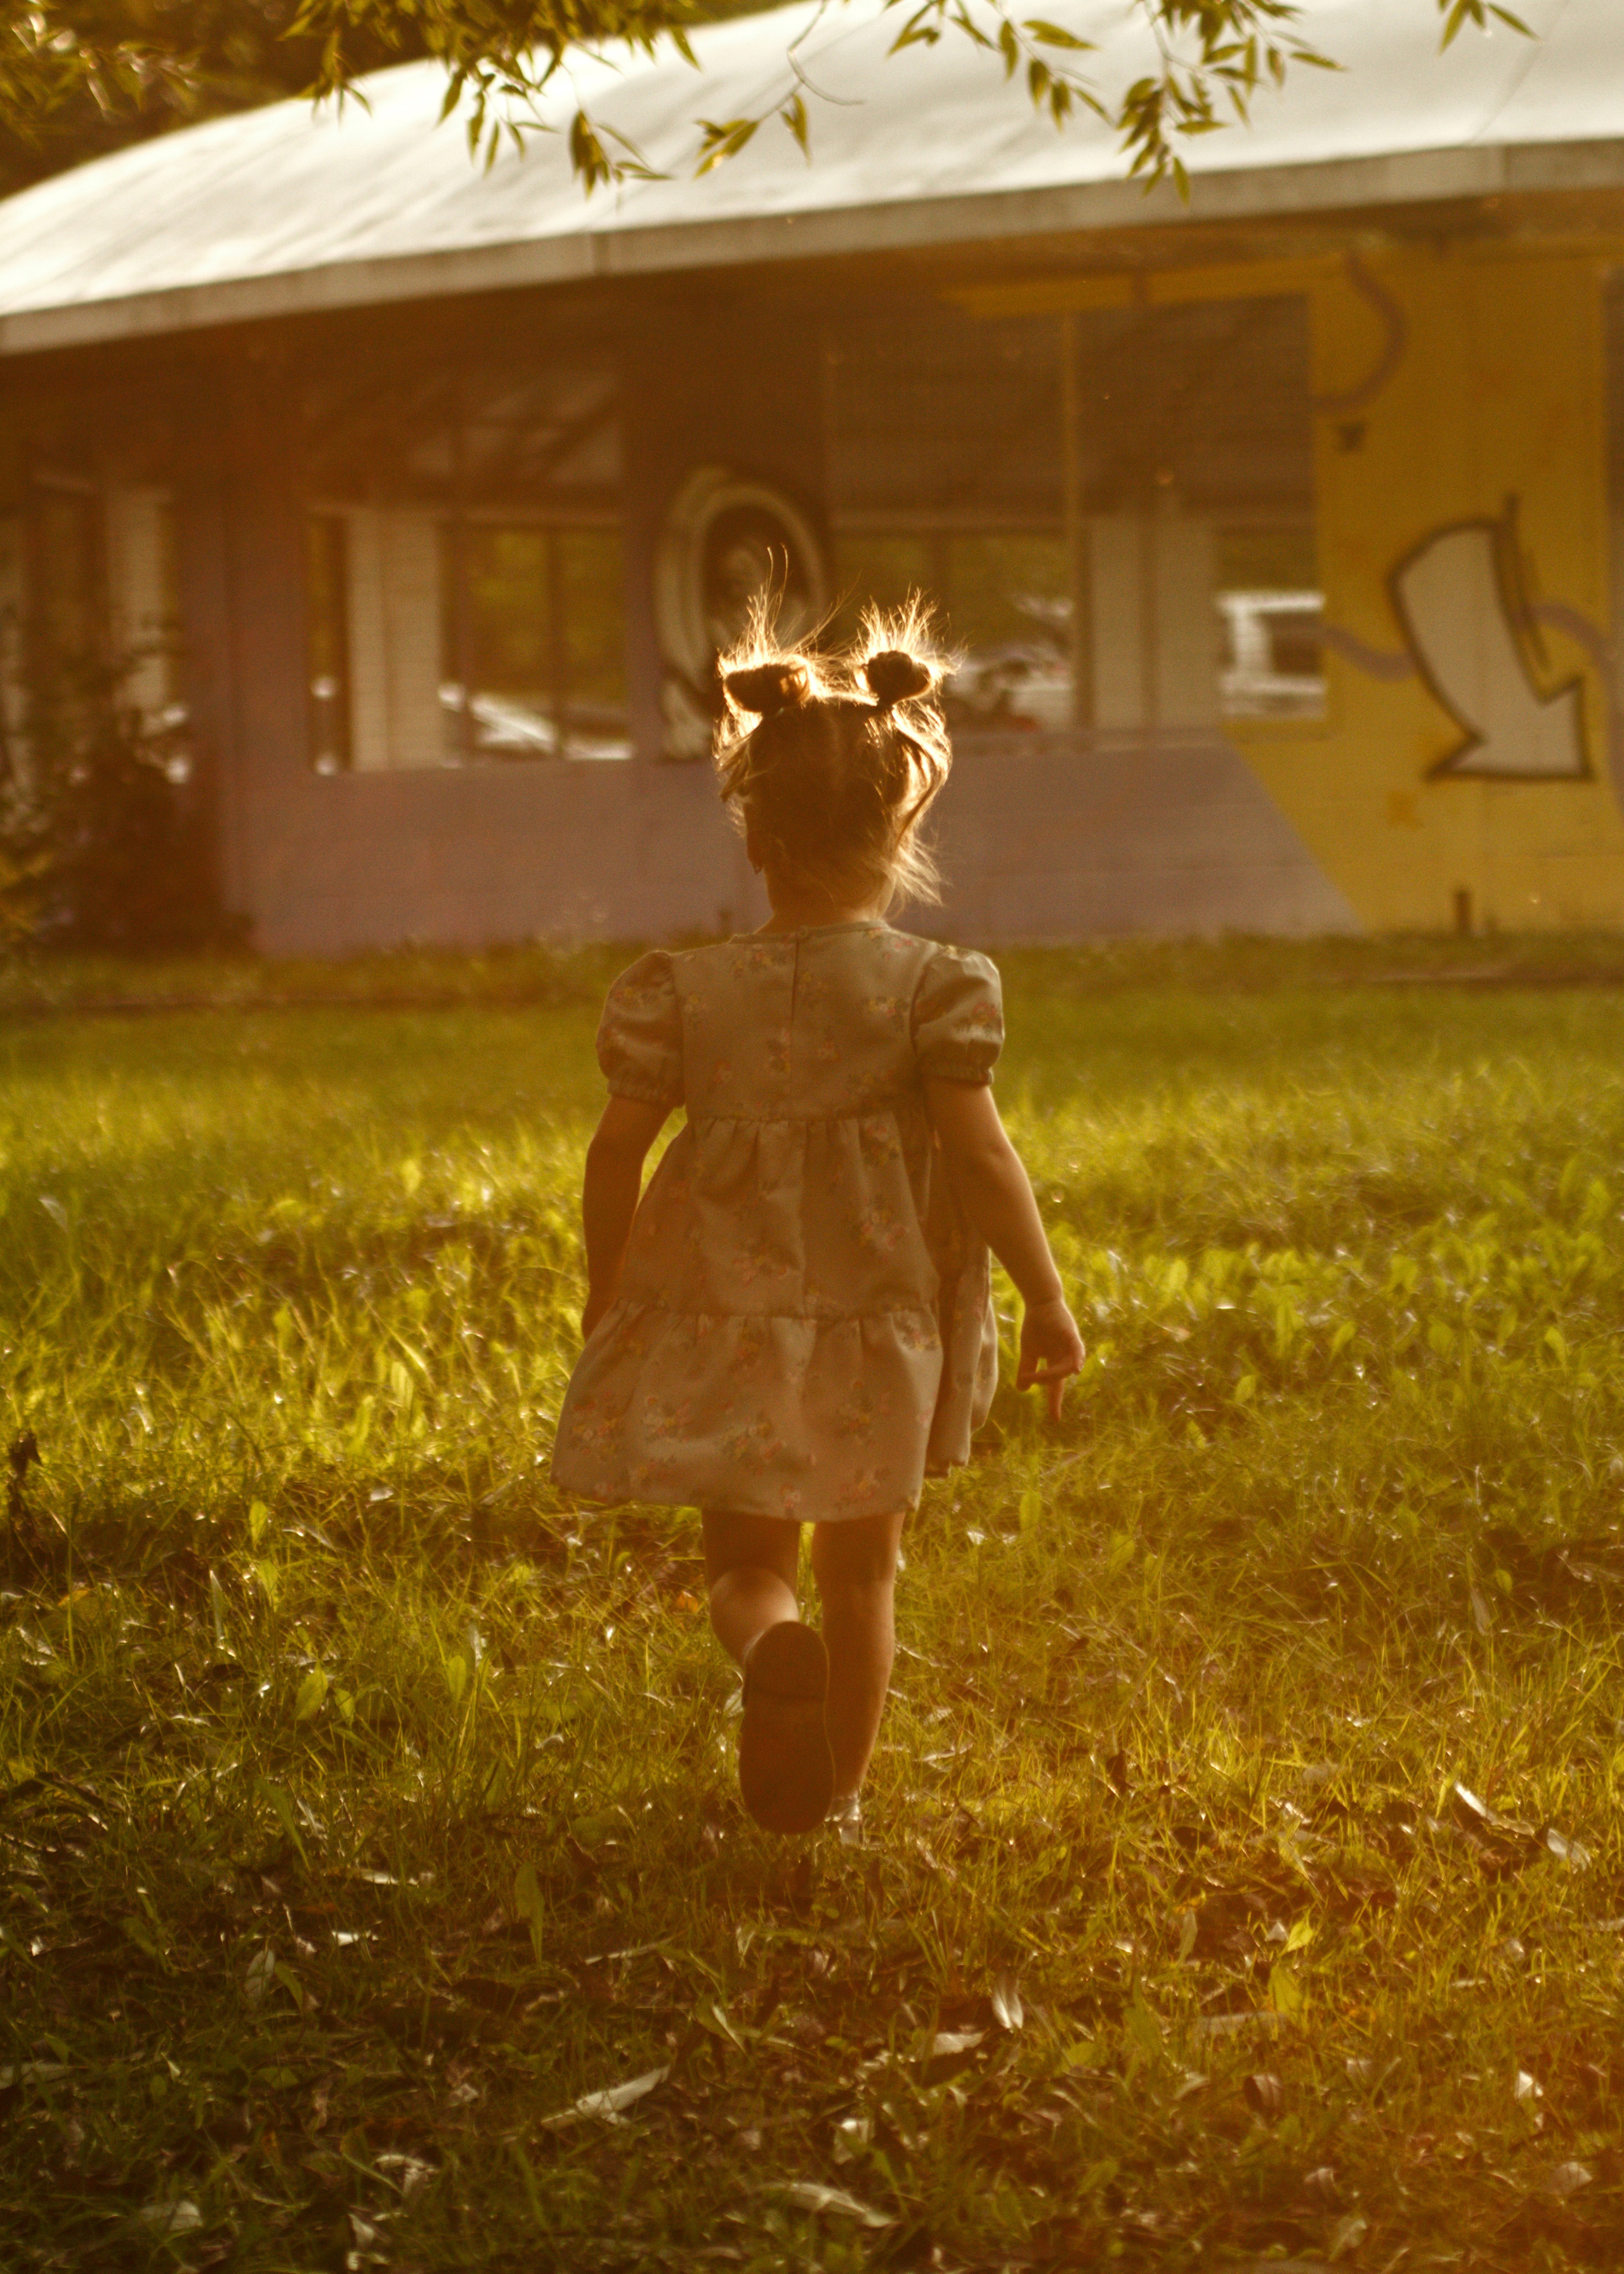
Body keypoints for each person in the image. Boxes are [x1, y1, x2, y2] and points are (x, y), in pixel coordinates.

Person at [551, 607, 1085, 1837]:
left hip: (722, 1318)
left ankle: (767, 1650)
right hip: (872, 1327)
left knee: (745, 1570)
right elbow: (981, 1152)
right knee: (866, 1573)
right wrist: (1044, 1296)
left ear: (752, 826)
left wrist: (608, 1285)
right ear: (900, 820)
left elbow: (613, 1151)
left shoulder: (683, 991)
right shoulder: (933, 987)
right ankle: (836, 1801)